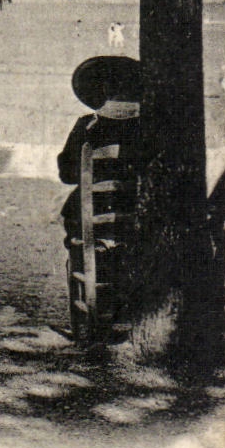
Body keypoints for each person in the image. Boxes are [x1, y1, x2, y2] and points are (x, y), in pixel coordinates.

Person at [55, 56, 142, 293]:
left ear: (102, 89)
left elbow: (67, 175)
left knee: (74, 211)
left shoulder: (87, 126)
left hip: (93, 221)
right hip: (138, 221)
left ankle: (88, 292)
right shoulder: (150, 126)